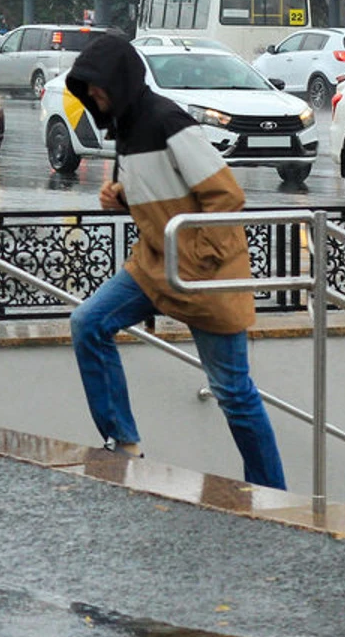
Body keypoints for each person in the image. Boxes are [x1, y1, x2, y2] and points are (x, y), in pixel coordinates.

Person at [63, 36, 286, 490]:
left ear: (119, 82)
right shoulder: (125, 128)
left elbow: (226, 195)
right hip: (152, 266)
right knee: (88, 323)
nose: (95, 98)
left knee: (233, 393)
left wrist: (200, 258)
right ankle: (122, 441)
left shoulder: (168, 120)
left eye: (99, 88)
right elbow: (161, 192)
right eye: (89, 91)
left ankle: (271, 493)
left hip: (205, 274)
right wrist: (121, 197)